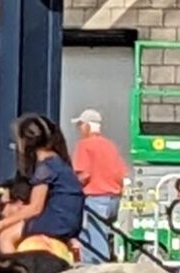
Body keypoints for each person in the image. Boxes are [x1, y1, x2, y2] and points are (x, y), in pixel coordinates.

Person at [0, 113, 85, 264]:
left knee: (6, 237)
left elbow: (35, 207)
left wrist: (1, 224)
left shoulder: (45, 167)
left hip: (57, 220)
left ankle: (18, 268)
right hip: (71, 221)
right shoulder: (59, 161)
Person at [70, 112, 127, 264]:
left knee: (96, 239)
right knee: (92, 236)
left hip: (96, 198)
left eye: (80, 125)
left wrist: (70, 187)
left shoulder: (84, 145)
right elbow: (121, 173)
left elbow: (84, 174)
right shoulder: (110, 146)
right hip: (113, 199)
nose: (79, 129)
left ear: (88, 126)